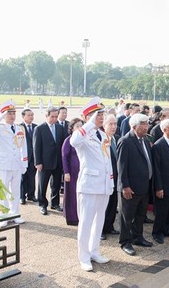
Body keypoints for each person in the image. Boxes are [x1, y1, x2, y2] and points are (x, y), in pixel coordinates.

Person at [70, 98, 113, 271]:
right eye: (98, 114)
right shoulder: (83, 134)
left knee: (98, 221)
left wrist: (110, 182)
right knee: (86, 222)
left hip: (103, 185)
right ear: (88, 116)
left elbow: (107, 161)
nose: (101, 117)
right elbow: (74, 142)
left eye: (102, 114)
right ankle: (84, 257)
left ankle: (94, 251)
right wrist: (89, 123)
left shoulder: (102, 135)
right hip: (89, 185)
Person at [118, 113, 154, 256]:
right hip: (130, 187)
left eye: (147, 124)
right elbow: (121, 166)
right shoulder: (125, 141)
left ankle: (137, 237)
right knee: (127, 217)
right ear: (133, 126)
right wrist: (124, 186)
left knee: (140, 214)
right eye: (143, 125)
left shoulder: (144, 140)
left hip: (144, 185)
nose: (146, 127)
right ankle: (125, 242)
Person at [33, 106, 66, 215]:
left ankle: (55, 203)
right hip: (44, 162)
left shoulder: (60, 128)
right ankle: (42, 204)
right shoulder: (39, 128)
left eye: (56, 117)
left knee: (56, 184)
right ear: (46, 116)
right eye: (52, 116)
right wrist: (38, 162)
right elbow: (36, 147)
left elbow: (63, 145)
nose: (54, 119)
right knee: (42, 185)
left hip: (57, 161)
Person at [102, 114, 121, 239]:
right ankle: (101, 229)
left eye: (115, 124)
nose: (114, 127)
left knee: (113, 204)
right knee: (104, 206)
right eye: (111, 124)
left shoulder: (118, 139)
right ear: (104, 125)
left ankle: (110, 226)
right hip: (105, 179)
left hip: (116, 178)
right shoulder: (101, 140)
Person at [61, 118, 83, 226]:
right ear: (72, 128)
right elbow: (64, 157)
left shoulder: (83, 139)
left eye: (81, 125)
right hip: (72, 170)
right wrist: (66, 172)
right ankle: (72, 217)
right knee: (72, 194)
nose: (79, 128)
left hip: (81, 170)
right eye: (77, 126)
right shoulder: (68, 140)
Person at [20, 109, 38, 204]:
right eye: (29, 115)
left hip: (33, 157)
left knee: (32, 177)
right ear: (23, 117)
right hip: (23, 157)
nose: (31, 117)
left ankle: (31, 195)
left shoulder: (36, 127)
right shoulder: (19, 127)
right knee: (23, 177)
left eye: (32, 115)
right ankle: (22, 196)